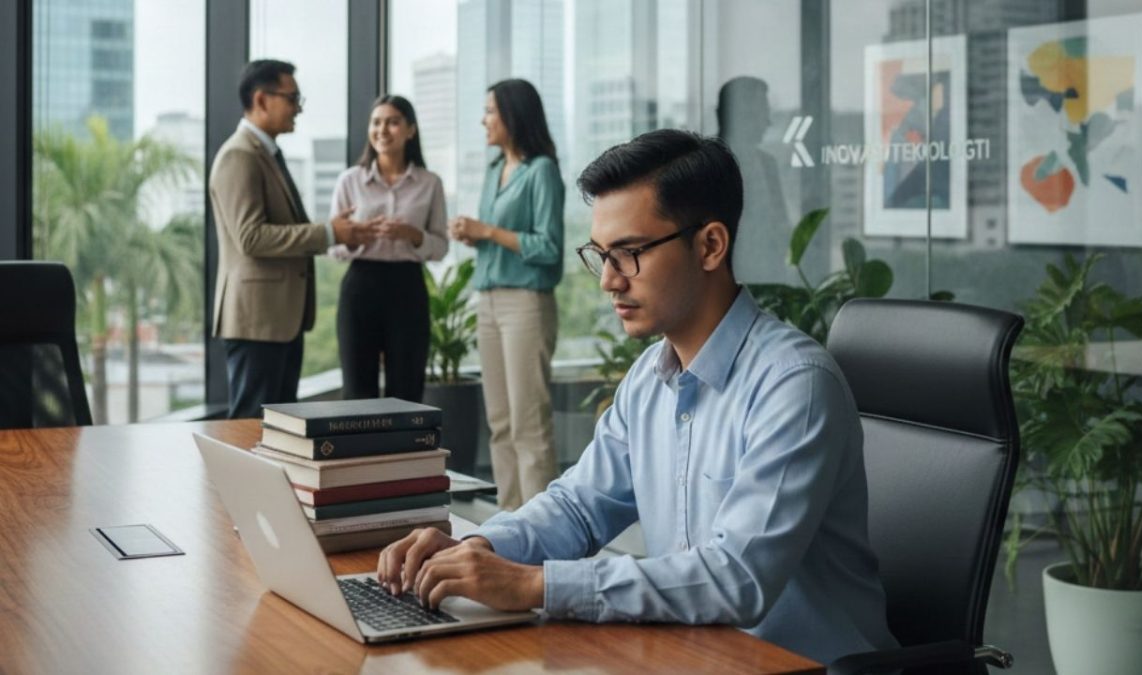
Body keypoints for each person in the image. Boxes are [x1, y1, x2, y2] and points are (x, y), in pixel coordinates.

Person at [377, 130, 898, 665]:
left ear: (710, 245)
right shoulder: (651, 375)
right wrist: (480, 550)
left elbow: (737, 579)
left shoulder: (794, 385)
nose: (607, 281)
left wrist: (535, 586)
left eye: (628, 254)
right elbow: (578, 509)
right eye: (601, 255)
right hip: (693, 654)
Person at [210, 59, 377, 418]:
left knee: (278, 429)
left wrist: (336, 232)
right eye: (292, 98)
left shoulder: (266, 154)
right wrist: (330, 233)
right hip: (258, 319)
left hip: (279, 318)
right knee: (251, 427)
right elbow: (251, 237)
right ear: (261, 99)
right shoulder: (239, 156)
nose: (298, 109)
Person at [448, 79, 564, 510]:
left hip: (526, 305)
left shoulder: (542, 172)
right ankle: (511, 525)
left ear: (514, 115)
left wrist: (489, 231)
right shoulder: (495, 170)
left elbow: (549, 247)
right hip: (490, 301)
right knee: (499, 424)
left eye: (491, 111)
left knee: (528, 425)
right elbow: (498, 239)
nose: (484, 120)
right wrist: (474, 237)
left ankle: (543, 529)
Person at [329, 94, 448, 401]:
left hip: (408, 288)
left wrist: (413, 234)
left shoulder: (430, 183)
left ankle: (405, 450)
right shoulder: (349, 181)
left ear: (410, 130)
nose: (382, 130)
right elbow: (334, 246)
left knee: (407, 389)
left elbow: (440, 247)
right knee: (357, 388)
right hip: (360, 285)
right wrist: (357, 237)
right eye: (376, 122)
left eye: (393, 122)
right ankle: (359, 451)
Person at [716, 76, 790, 283]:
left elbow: (780, 226)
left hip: (768, 284)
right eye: (762, 112)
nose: (768, 122)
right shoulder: (704, 164)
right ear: (743, 115)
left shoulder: (768, 164)